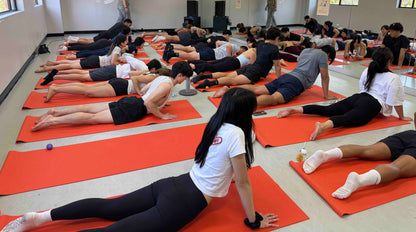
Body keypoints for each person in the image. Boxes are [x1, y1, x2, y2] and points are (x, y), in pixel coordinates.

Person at [2, 89, 278, 232]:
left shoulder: (215, 123)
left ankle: (37, 218)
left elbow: (225, 167)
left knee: (107, 208)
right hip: (185, 201)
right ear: (245, 113)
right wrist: (253, 220)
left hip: (171, 184)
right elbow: (242, 182)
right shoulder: (239, 133)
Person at [277, 47, 412, 140]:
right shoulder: (394, 78)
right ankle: (322, 126)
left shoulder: (368, 71)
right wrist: (402, 117)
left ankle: (295, 110)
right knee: (348, 118)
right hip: (370, 104)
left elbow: (363, 89)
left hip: (358, 98)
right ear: (389, 62)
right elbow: (395, 102)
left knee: (328, 109)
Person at [31, 61, 193, 132]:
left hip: (131, 100)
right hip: (134, 108)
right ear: (180, 75)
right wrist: (161, 115)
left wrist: (161, 103)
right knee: (92, 118)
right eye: (185, 78)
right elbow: (148, 102)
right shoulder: (167, 85)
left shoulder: (162, 77)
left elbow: (145, 91)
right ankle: (53, 120)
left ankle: (55, 112)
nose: (184, 81)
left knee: (91, 109)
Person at [301, 114, 416, 200]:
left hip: (410, 134)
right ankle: (359, 180)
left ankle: (325, 155)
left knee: (367, 150)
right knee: (397, 168)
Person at [212, 46, 337, 105]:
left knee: (258, 89)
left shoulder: (306, 50)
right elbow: (325, 76)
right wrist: (326, 95)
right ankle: (245, 105)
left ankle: (229, 90)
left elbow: (302, 66)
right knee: (274, 99)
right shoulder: (323, 56)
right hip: (295, 83)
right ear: (329, 55)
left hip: (286, 76)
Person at [195, 28, 281, 89]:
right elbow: (277, 65)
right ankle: (210, 83)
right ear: (276, 38)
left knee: (227, 75)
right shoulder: (274, 48)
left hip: (249, 67)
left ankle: (204, 76)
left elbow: (263, 57)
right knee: (233, 81)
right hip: (255, 72)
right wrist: (280, 79)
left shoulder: (261, 44)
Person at [44, 68, 171, 102]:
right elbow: (136, 78)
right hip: (121, 87)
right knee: (87, 91)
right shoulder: (155, 77)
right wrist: (138, 91)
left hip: (119, 83)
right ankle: (56, 89)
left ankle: (56, 88)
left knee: (86, 88)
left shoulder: (152, 74)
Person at [36, 35, 127, 74]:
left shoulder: (114, 46)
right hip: (95, 61)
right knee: (71, 66)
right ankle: (49, 68)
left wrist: (119, 59)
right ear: (122, 43)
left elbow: (112, 58)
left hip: (95, 59)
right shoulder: (118, 49)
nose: (127, 43)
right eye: (125, 41)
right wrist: (122, 65)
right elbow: (113, 61)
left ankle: (51, 62)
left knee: (71, 64)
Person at [40, 58, 161, 85]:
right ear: (154, 69)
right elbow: (131, 74)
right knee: (83, 77)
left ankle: (57, 73)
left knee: (83, 74)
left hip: (112, 69)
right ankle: (55, 77)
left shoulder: (140, 62)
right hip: (112, 73)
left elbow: (127, 57)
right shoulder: (144, 69)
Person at [60, 20, 132, 50]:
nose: (129, 27)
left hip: (104, 34)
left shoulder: (119, 23)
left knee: (88, 41)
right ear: (126, 23)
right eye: (129, 25)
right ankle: (71, 40)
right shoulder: (122, 27)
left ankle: (71, 40)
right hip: (104, 36)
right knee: (88, 43)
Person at [190, 46, 256, 76]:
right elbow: (253, 66)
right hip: (234, 63)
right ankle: (194, 66)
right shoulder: (253, 53)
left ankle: (191, 62)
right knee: (214, 68)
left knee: (211, 64)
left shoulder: (250, 50)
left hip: (231, 59)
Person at [164, 41, 245, 63]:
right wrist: (229, 57)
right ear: (243, 50)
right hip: (211, 53)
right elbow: (228, 47)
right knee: (190, 57)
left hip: (211, 51)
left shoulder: (231, 44)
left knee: (189, 54)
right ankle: (171, 54)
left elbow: (218, 42)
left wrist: (217, 50)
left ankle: (171, 52)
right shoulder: (237, 48)